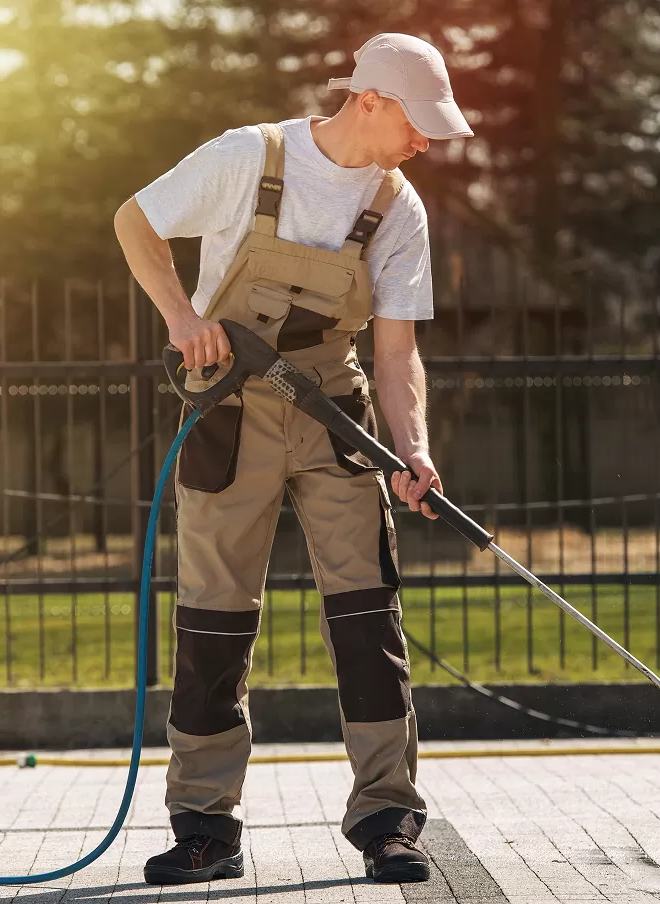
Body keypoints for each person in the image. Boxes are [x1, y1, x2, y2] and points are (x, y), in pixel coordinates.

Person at [113, 32, 472, 887]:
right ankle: (206, 826)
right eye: (418, 122)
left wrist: (409, 449)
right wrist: (178, 316)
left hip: (334, 411)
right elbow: (135, 220)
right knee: (213, 617)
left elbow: (394, 355)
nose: (426, 140)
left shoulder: (400, 205)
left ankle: (387, 815)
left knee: (366, 613)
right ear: (370, 101)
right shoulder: (250, 156)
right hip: (227, 404)